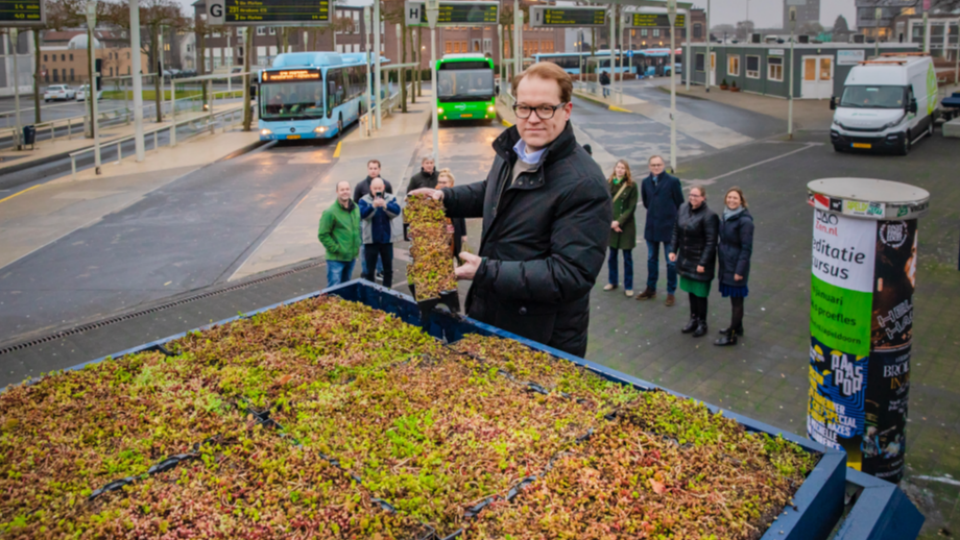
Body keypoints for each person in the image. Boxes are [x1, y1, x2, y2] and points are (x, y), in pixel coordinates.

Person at [409, 62, 612, 357]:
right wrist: (445, 198)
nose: (533, 119)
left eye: (545, 108)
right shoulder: (513, 150)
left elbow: (570, 274)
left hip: (540, 340)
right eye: (524, 108)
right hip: (491, 315)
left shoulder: (585, 184)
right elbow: (491, 191)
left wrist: (485, 271)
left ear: (566, 111)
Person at [668, 186, 719, 338]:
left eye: (696, 196)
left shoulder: (710, 216)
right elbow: (676, 230)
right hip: (686, 258)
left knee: (700, 293)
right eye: (691, 195)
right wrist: (672, 250)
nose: (692, 198)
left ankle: (702, 323)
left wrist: (703, 263)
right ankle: (693, 319)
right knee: (691, 291)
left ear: (703, 197)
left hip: (700, 261)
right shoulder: (683, 208)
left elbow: (711, 242)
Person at [637, 155, 684, 306]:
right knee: (651, 259)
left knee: (670, 262)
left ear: (663, 165)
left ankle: (671, 292)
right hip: (651, 228)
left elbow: (680, 204)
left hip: (669, 228)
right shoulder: (645, 182)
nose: (656, 167)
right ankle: (651, 288)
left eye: (659, 164)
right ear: (649, 166)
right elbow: (646, 202)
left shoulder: (673, 182)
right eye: (653, 165)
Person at [714, 187, 753, 346]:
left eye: (735, 198)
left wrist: (739, 271)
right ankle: (738, 327)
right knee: (734, 300)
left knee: (737, 302)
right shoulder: (727, 216)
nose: (731, 200)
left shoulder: (745, 221)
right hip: (727, 263)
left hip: (736, 266)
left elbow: (746, 248)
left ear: (741, 201)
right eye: (729, 197)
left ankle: (731, 336)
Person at [358, 178, 401, 289]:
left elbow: (396, 211)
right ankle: (371, 293)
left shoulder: (390, 198)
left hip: (386, 239)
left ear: (383, 188)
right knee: (369, 270)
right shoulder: (364, 200)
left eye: (379, 188)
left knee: (388, 269)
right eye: (375, 188)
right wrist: (373, 206)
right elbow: (362, 215)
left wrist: (386, 206)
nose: (377, 190)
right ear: (371, 188)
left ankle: (388, 292)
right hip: (370, 240)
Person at [604, 160, 638, 297]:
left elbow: (631, 208)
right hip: (612, 225)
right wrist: (611, 222)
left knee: (627, 258)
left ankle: (628, 286)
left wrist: (619, 222)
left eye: (622, 168)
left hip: (626, 227)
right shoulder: (609, 183)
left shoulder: (632, 186)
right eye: (618, 167)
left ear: (626, 171)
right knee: (612, 256)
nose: (620, 170)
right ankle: (613, 281)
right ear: (615, 169)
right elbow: (605, 203)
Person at [317, 181, 361, 287]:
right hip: (336, 260)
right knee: (334, 291)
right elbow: (323, 234)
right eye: (342, 190)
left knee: (345, 289)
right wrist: (336, 249)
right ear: (337, 192)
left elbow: (357, 229)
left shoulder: (355, 208)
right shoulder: (330, 212)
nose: (345, 192)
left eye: (347, 189)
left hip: (351, 258)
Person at [354, 160, 393, 278]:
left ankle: (380, 270)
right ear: (367, 169)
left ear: (379, 169)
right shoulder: (360, 186)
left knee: (381, 248)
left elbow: (390, 200)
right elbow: (356, 205)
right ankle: (366, 271)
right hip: (365, 222)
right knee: (364, 248)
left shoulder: (387, 184)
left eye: (375, 168)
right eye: (371, 168)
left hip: (381, 223)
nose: (373, 170)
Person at [436, 169, 468, 260]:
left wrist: (464, 234)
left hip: (454, 234)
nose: (441, 185)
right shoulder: (434, 197)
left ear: (451, 183)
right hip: (440, 236)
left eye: (444, 182)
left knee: (454, 254)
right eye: (440, 182)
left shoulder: (456, 197)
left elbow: (461, 216)